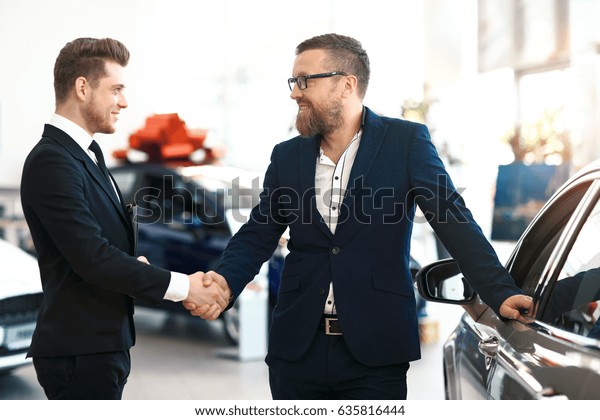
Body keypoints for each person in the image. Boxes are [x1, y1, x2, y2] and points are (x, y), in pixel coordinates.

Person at [185, 33, 532, 399]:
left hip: (375, 353)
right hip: (297, 350)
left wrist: (499, 290)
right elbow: (259, 231)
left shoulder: (406, 142)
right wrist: (224, 283)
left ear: (346, 85)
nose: (294, 93)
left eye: (304, 81)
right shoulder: (288, 155)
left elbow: (453, 220)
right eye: (293, 81)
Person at [20, 37, 230, 400]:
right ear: (82, 88)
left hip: (101, 347)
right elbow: (92, 258)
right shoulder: (52, 160)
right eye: (116, 89)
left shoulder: (87, 154)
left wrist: (134, 264)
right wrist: (185, 287)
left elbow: (96, 245)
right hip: (78, 351)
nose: (124, 101)